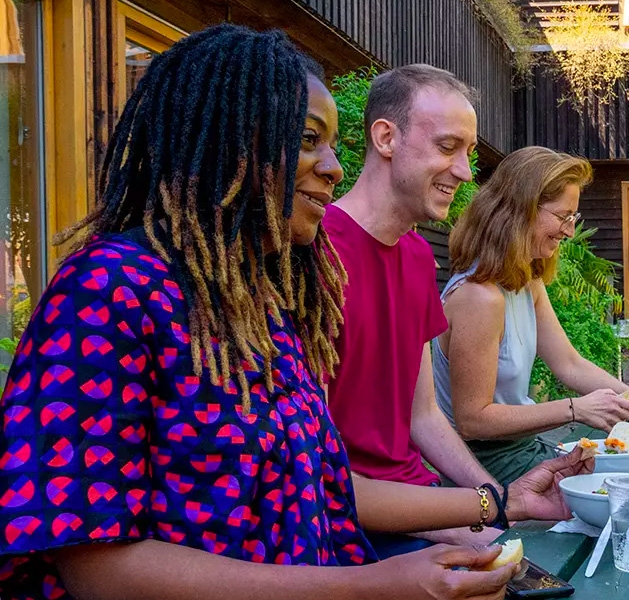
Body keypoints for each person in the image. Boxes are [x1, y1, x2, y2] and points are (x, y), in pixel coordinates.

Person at [0, 25, 522, 599]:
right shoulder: (107, 290)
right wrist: (371, 586)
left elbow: (322, 487)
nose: (334, 167)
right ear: (227, 138)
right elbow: (96, 569)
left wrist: (495, 503)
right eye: (306, 139)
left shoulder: (261, 304)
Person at [324, 65, 588, 557]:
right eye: (448, 148)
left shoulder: (418, 257)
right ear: (385, 137)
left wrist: (501, 502)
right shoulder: (317, 252)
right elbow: (317, 472)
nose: (466, 172)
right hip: (348, 520)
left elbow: (423, 417)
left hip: (422, 496)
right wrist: (483, 510)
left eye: (467, 153)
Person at [432, 146, 629, 485]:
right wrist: (576, 409)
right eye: (563, 216)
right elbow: (473, 420)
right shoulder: (478, 297)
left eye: (572, 219)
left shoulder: (525, 280)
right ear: (522, 210)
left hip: (523, 451)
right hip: (480, 469)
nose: (568, 231)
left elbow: (569, 364)